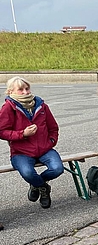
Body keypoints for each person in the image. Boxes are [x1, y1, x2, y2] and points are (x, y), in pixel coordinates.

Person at [0, 76, 63, 209]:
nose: (25, 92)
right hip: (20, 152)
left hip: (44, 149)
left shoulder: (41, 105)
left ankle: (36, 184)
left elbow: (53, 127)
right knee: (28, 173)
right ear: (11, 92)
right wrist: (22, 134)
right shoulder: (8, 107)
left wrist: (51, 141)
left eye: (27, 88)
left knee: (58, 169)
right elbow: (2, 131)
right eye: (20, 89)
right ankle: (43, 187)